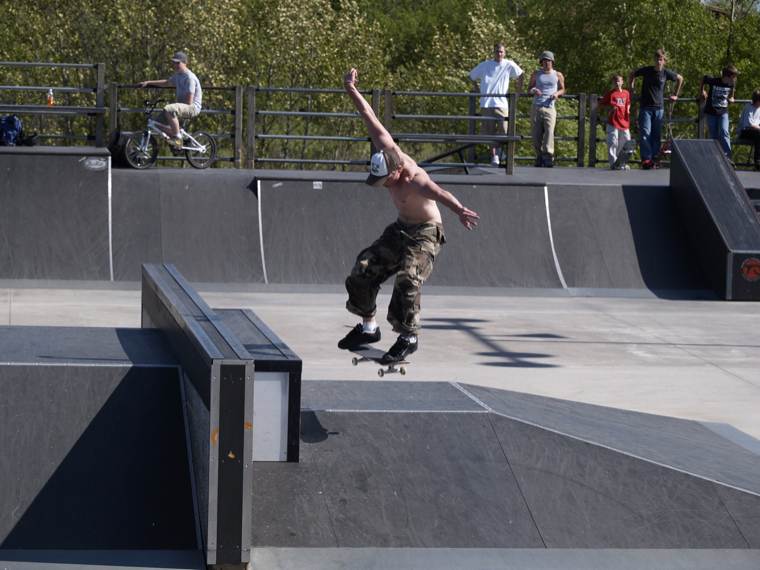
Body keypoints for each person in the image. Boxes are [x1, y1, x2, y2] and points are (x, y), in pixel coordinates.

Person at [338, 68, 480, 363]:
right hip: (401, 229)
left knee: (408, 278)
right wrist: (351, 88)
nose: (384, 186)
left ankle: (408, 337)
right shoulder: (386, 149)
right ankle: (369, 328)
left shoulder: (416, 180)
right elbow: (368, 115)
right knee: (363, 268)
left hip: (426, 233)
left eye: (386, 181)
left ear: (396, 171)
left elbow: (440, 193)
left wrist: (459, 211)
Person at [469, 42, 524, 167]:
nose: (499, 54)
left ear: (504, 53)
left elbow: (521, 74)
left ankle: (500, 152)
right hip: (486, 103)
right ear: (493, 53)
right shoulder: (485, 65)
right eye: (497, 51)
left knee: (504, 130)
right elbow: (471, 76)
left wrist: (518, 92)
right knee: (489, 132)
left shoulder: (508, 64)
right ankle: (494, 155)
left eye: (501, 52)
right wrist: (477, 90)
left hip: (501, 103)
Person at [628, 48, 684, 169]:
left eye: (661, 59)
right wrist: (631, 89)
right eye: (657, 59)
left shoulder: (665, 73)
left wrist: (675, 94)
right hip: (646, 108)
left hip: (659, 108)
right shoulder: (647, 70)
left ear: (664, 61)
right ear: (654, 60)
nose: (659, 61)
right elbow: (632, 74)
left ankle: (654, 159)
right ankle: (646, 159)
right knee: (645, 133)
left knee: (656, 135)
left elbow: (680, 78)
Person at [138, 51, 202, 147]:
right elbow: (166, 82)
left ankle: (177, 138)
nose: (175, 65)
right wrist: (148, 82)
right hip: (183, 106)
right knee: (156, 123)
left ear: (185, 63)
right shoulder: (178, 75)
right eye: (174, 63)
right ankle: (177, 139)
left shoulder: (189, 78)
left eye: (178, 63)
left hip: (192, 107)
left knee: (169, 109)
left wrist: (175, 109)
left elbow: (189, 102)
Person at [528, 51, 565, 167]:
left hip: (550, 107)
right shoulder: (536, 74)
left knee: (549, 132)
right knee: (536, 134)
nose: (546, 63)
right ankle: (539, 156)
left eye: (548, 60)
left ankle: (548, 156)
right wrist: (534, 90)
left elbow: (563, 89)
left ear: (552, 62)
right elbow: (529, 88)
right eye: (544, 60)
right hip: (537, 106)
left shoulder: (557, 75)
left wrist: (556, 94)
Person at [699, 65, 738, 160]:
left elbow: (732, 93)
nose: (735, 79)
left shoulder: (732, 83)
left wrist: (732, 97)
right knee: (713, 135)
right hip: (711, 112)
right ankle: (715, 157)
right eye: (734, 77)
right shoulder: (714, 81)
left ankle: (728, 157)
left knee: (724, 131)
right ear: (727, 77)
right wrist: (702, 91)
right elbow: (703, 79)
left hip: (723, 112)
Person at [599, 74, 631, 169]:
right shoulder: (610, 94)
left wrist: (628, 109)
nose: (617, 83)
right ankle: (613, 163)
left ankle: (621, 162)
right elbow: (601, 104)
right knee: (613, 142)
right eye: (615, 81)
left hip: (624, 121)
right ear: (613, 83)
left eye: (618, 81)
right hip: (613, 122)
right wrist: (609, 108)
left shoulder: (626, 93)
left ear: (622, 82)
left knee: (626, 141)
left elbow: (628, 102)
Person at [738, 88, 760, 171]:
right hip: (745, 131)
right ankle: (757, 161)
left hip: (756, 131)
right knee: (758, 135)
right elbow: (750, 125)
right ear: (757, 101)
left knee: (758, 134)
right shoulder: (748, 107)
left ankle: (758, 161)